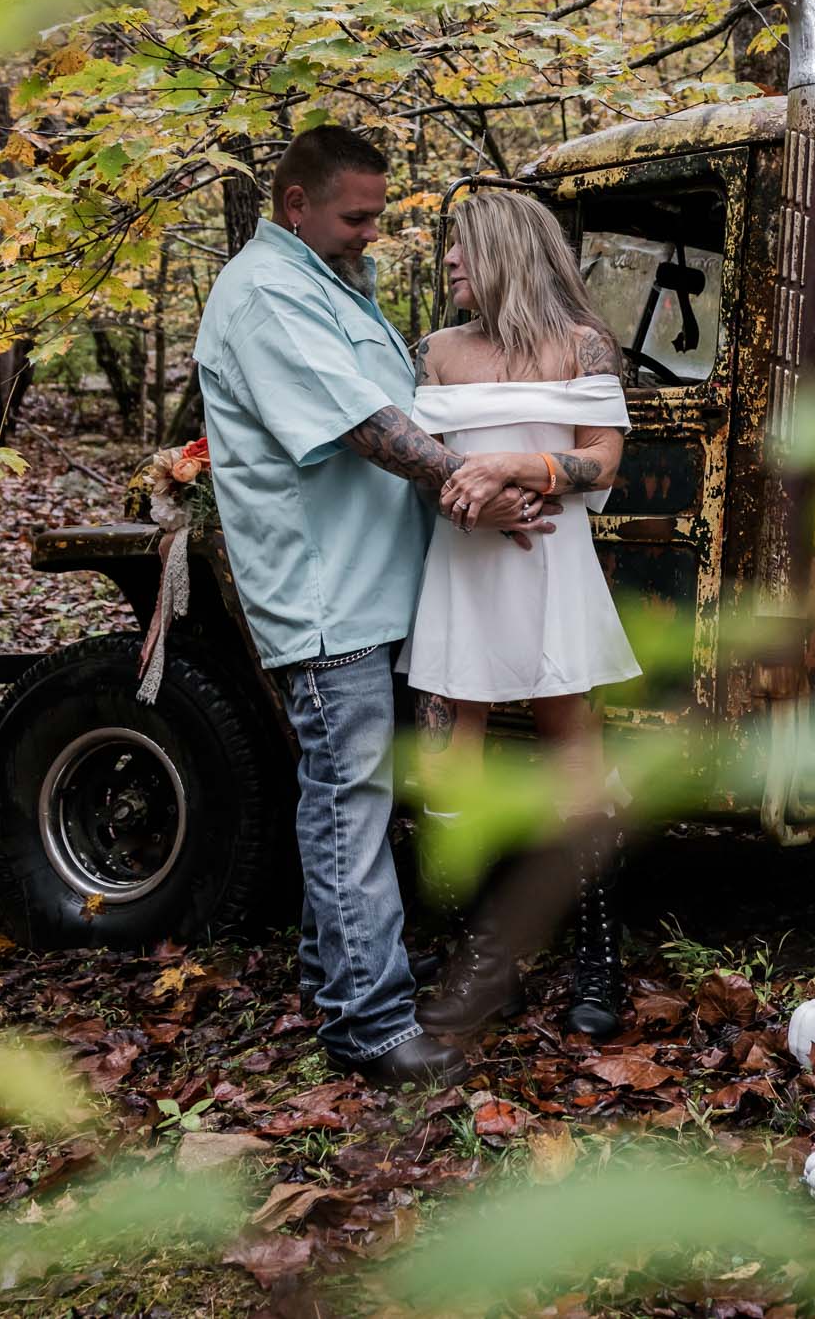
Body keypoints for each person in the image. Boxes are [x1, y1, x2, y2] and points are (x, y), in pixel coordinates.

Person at [193, 126, 554, 1090]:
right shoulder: (266, 293)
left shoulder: (336, 285)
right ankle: (369, 1024)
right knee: (349, 802)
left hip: (378, 586)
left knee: (361, 797)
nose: (370, 233)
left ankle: (344, 975)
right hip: (327, 596)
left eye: (376, 216)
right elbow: (367, 425)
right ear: (295, 204)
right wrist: (474, 486)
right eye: (355, 217)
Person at [401, 187, 643, 1042]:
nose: (448, 261)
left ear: (505, 249)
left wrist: (513, 466)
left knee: (574, 755)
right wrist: (475, 503)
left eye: (462, 246)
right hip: (461, 567)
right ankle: (484, 962)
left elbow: (603, 462)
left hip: (552, 568)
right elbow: (423, 464)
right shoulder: (434, 351)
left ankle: (597, 957)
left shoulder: (582, 344)